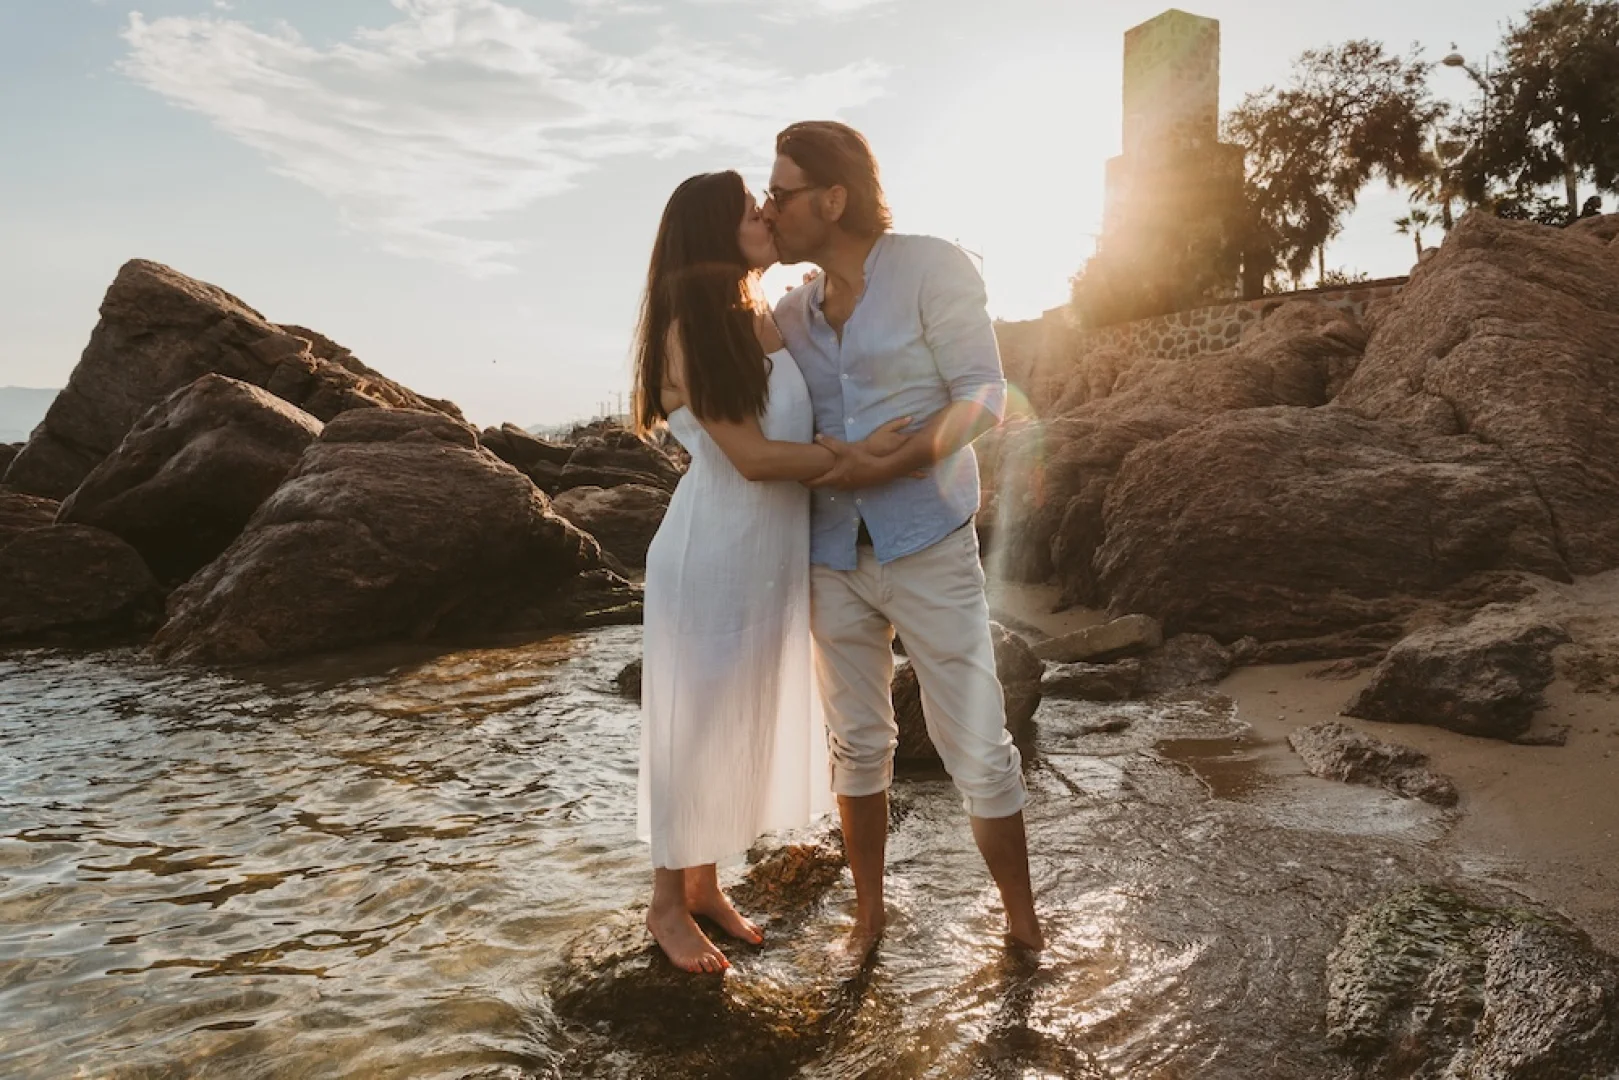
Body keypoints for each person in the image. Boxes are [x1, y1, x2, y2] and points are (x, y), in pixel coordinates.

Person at [763, 121, 1043, 959]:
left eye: (780, 194)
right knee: (856, 744)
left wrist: (902, 456)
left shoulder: (930, 265)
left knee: (977, 743)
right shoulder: (790, 309)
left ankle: (1022, 925)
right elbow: (710, 373)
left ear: (832, 197)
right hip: (826, 557)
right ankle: (869, 919)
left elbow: (984, 393)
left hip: (926, 541)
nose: (770, 208)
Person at [631, 170, 911, 974]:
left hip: (765, 554)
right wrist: (851, 458)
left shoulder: (754, 313)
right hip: (714, 549)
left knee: (730, 716)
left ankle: (702, 886)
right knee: (695, 725)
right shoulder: (692, 326)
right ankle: (662, 903)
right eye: (750, 211)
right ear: (715, 232)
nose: (764, 216)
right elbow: (751, 458)